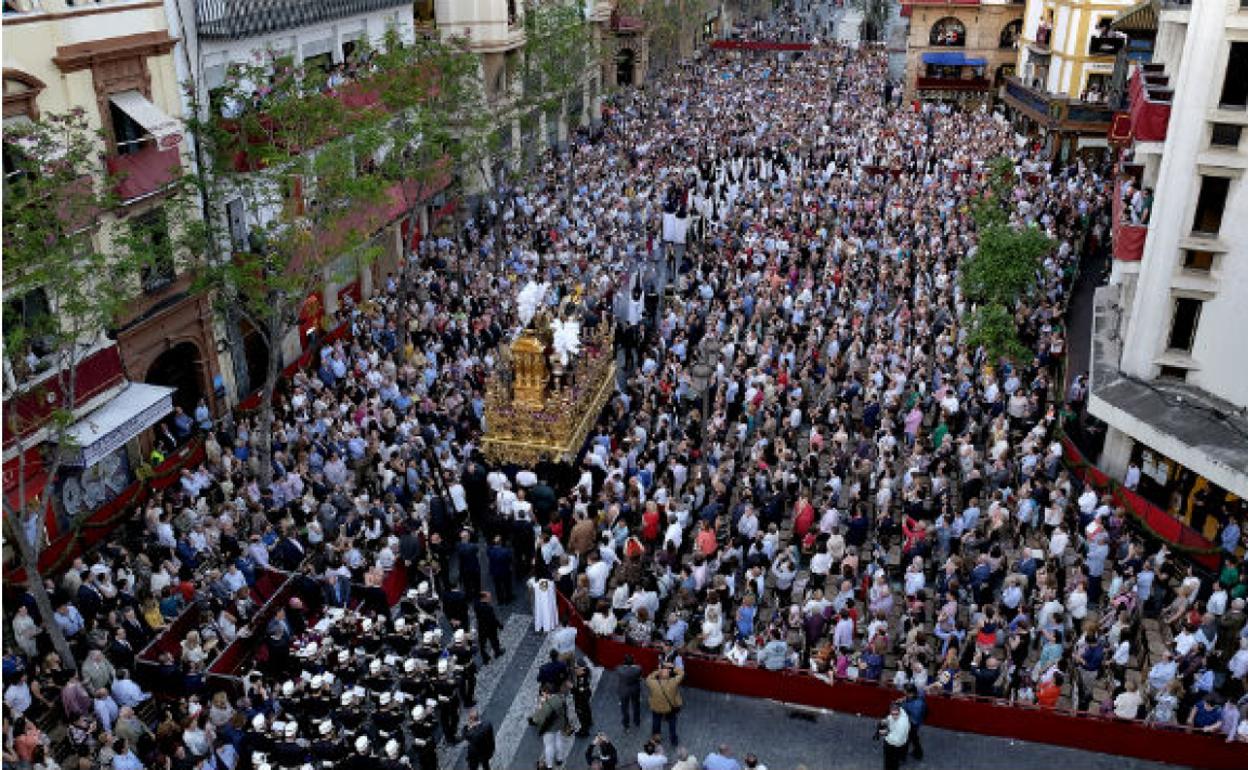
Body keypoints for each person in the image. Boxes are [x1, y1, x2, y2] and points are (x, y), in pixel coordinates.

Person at [529, 682, 572, 769]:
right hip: (560, 723)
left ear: (546, 692)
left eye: (542, 693)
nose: (542, 695)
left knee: (549, 746)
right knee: (559, 740)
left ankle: (549, 765)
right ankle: (559, 759)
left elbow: (537, 718)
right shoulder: (559, 698)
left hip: (549, 728)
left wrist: (541, 705)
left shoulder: (547, 705)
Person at [646, 663, 684, 746]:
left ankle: (656, 738)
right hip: (669, 708)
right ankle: (673, 740)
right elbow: (681, 673)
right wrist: (672, 667)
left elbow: (649, 677)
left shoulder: (653, 683)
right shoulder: (673, 682)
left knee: (656, 721)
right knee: (672, 723)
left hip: (657, 707)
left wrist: (659, 671)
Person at [879, 701, 911, 770]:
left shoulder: (902, 723)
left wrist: (886, 734)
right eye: (892, 714)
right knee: (890, 762)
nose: (894, 716)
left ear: (899, 711)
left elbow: (897, 740)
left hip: (895, 746)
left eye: (896, 714)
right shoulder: (897, 714)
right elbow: (890, 718)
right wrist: (886, 721)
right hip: (893, 743)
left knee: (892, 763)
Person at [900, 684, 927, 761]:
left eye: (906, 693)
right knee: (914, 738)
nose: (904, 694)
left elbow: (914, 716)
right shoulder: (917, 695)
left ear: (911, 693)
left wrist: (903, 706)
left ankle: (902, 757)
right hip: (914, 723)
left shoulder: (917, 705)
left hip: (913, 723)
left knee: (906, 740)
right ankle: (918, 753)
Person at [617, 654, 643, 731]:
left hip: (624, 691)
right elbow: (640, 675)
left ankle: (626, 724)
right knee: (636, 706)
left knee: (624, 709)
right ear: (633, 661)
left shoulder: (620, 669)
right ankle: (637, 721)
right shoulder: (638, 668)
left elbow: (619, 668)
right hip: (635, 689)